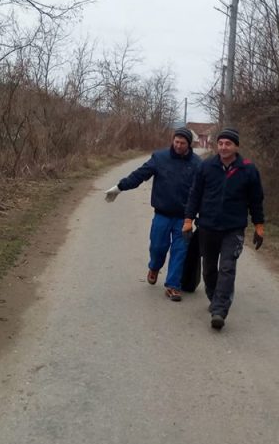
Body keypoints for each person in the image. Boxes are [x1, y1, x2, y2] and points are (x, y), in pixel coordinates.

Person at [104, 127, 201, 300]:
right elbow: (139, 175)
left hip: (184, 218)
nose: (178, 146)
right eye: (176, 142)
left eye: (182, 143)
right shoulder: (159, 158)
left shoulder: (197, 164)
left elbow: (203, 190)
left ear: (189, 144)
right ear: (172, 140)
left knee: (180, 251)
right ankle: (154, 267)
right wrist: (119, 187)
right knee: (157, 248)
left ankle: (173, 285)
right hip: (162, 214)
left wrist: (203, 213)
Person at [183, 128, 265, 330]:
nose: (223, 147)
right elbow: (195, 194)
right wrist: (188, 220)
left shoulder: (248, 170)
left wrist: (259, 225)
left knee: (227, 268)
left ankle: (219, 310)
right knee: (209, 269)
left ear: (236, 146)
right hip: (207, 227)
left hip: (233, 228)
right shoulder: (206, 166)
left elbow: (256, 200)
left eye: (228, 144)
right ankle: (215, 298)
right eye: (220, 143)